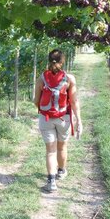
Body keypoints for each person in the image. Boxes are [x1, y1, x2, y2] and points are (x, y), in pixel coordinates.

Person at [34, 49, 82, 192]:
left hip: (46, 118)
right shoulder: (69, 79)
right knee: (62, 147)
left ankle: (51, 182)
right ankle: (61, 171)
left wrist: (43, 110)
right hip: (63, 119)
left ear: (49, 60)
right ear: (63, 61)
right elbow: (73, 102)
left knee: (50, 151)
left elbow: (36, 100)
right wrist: (79, 120)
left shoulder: (41, 78)